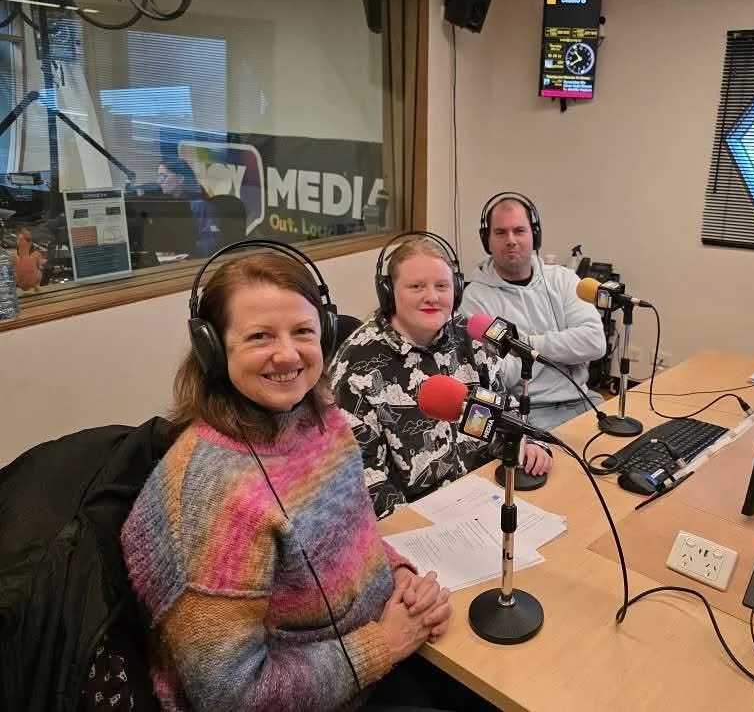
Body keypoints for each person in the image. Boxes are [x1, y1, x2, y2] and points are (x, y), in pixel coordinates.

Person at [120, 249, 455, 711]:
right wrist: (383, 644)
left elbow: (350, 538)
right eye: (260, 336)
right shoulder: (211, 495)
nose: (287, 354)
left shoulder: (322, 419)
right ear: (212, 348)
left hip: (374, 659)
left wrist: (398, 577)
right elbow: (232, 696)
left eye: (302, 332)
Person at [332, 236, 554, 519]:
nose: (432, 297)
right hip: (415, 518)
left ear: (456, 290)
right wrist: (417, 530)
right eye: (416, 286)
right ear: (388, 293)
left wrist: (529, 444)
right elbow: (364, 483)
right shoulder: (357, 365)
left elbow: (502, 412)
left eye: (442, 286)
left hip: (486, 495)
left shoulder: (470, 336)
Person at [462, 193, 607, 430]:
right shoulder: (475, 299)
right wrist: (566, 350)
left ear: (534, 235)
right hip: (525, 411)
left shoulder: (564, 280)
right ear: (487, 240)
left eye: (519, 231)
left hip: (583, 399)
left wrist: (524, 345)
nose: (511, 240)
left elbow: (594, 343)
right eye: (501, 232)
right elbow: (500, 373)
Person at [157, 156, 222, 257]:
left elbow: (212, 244)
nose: (158, 181)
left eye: (163, 176)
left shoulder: (201, 206)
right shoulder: (168, 207)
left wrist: (182, 248)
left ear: (180, 179)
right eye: (159, 176)